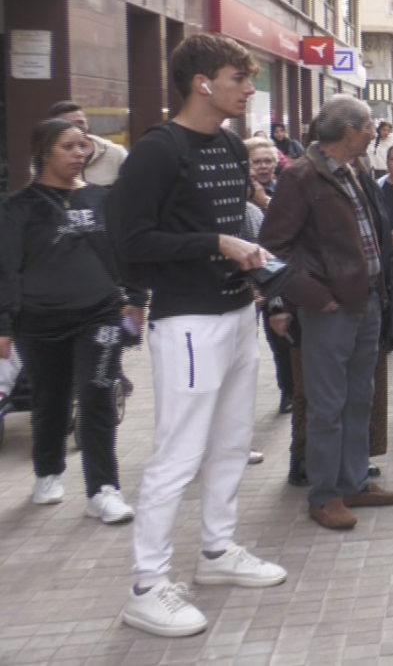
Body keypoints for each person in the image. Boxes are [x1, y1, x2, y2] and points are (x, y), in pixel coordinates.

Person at [108, 32, 287, 638]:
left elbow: (224, 226)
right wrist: (216, 244)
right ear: (202, 83)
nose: (249, 88)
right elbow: (129, 242)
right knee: (177, 453)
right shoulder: (158, 151)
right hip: (187, 321)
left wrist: (252, 264)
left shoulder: (234, 148)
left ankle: (216, 552)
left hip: (239, 312)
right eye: (239, 78)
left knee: (233, 441)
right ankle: (147, 586)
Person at [259, 95, 393, 532]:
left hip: (365, 301)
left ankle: (354, 481)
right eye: (369, 126)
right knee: (328, 404)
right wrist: (312, 296)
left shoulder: (354, 169)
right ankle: (325, 495)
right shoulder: (301, 177)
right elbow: (273, 249)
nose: (375, 132)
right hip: (331, 309)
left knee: (360, 396)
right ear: (348, 132)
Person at [0, 119, 144, 523]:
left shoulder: (102, 200)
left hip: (98, 316)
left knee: (98, 393)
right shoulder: (17, 208)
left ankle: (103, 489)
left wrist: (135, 299)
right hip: (38, 321)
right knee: (50, 398)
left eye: (83, 146)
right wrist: (4, 325)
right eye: (69, 146)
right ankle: (48, 472)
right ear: (44, 152)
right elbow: (6, 269)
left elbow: (123, 253)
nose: (79, 153)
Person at [243, 138, 293, 414]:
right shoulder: (237, 194)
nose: (262, 167)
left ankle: (288, 390)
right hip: (243, 282)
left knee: (280, 337)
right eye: (256, 161)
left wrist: (265, 201)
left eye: (267, 161)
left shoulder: (284, 189)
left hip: (275, 275)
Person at [49, 100, 128, 187]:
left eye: (81, 122)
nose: (77, 128)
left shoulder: (116, 153)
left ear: (87, 123)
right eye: (70, 124)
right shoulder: (47, 157)